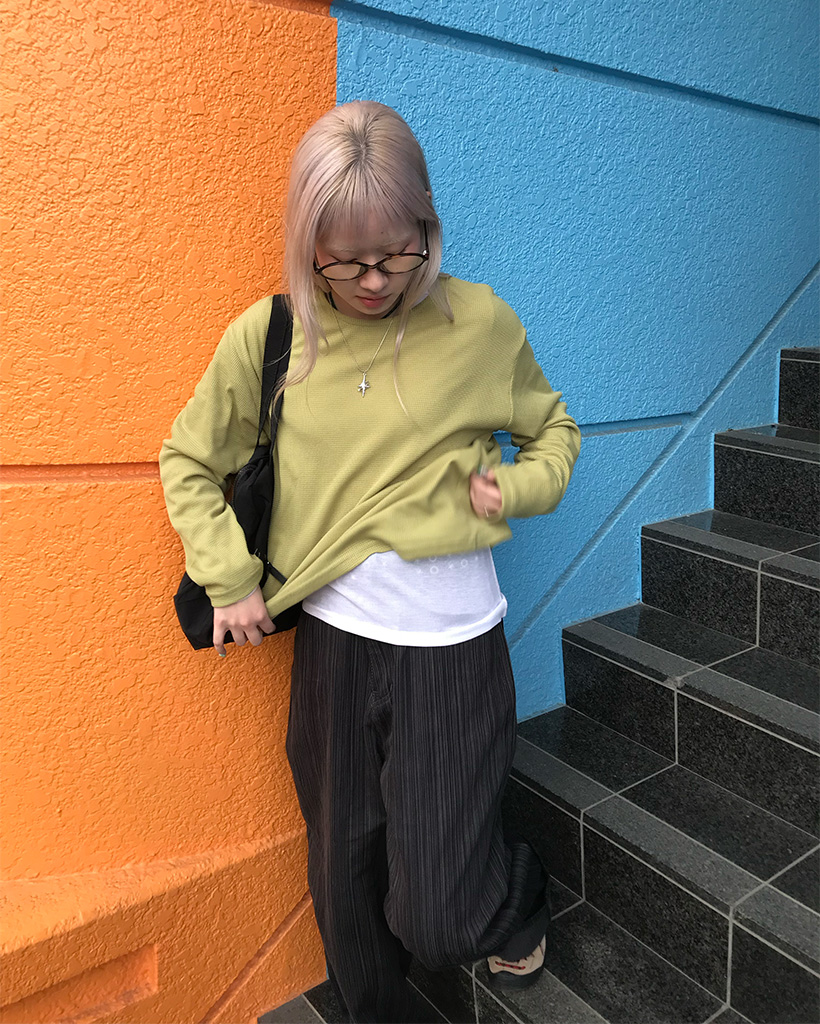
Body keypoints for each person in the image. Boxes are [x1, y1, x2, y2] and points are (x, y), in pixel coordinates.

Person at [159, 100, 581, 1024]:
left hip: (455, 650)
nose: (377, 280)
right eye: (346, 261)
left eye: (399, 252)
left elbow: (555, 433)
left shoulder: (481, 323)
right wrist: (231, 579)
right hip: (334, 648)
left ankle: (512, 897)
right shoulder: (272, 337)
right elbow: (188, 459)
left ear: (427, 224)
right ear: (306, 245)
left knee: (436, 913)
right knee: (343, 879)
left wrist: (519, 489)